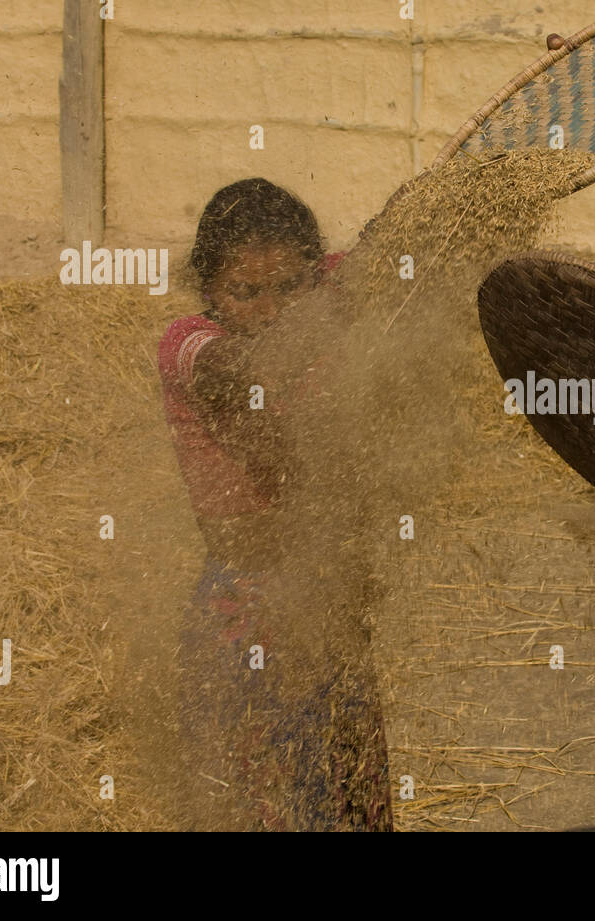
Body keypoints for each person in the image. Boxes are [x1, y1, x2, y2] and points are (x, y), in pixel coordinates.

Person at [157, 177, 392, 831]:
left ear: (314, 276)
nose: (268, 309)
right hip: (248, 619)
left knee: (349, 795)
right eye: (245, 291)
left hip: (331, 601)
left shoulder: (326, 296)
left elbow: (397, 250)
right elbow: (242, 375)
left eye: (289, 286)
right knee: (269, 799)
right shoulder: (188, 346)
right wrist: (318, 314)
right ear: (210, 291)